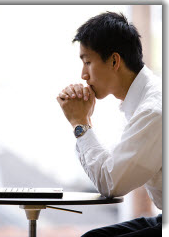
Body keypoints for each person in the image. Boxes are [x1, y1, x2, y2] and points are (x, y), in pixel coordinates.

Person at [56, 12, 162, 237]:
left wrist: (80, 123)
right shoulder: (146, 99)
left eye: (87, 62)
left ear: (114, 61)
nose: (83, 75)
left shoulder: (153, 110)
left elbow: (111, 183)